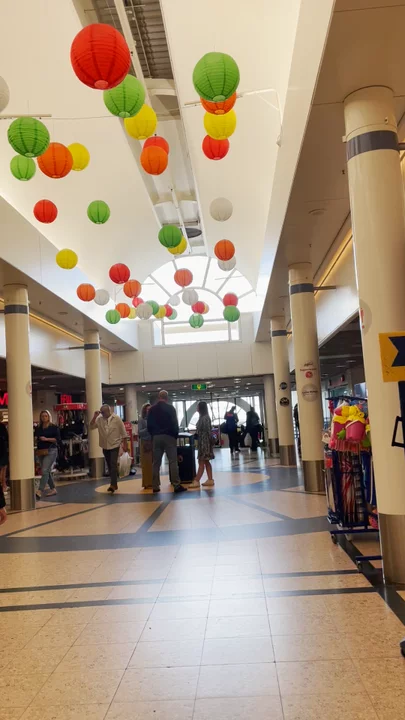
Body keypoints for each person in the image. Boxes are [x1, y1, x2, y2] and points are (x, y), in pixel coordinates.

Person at [147, 390, 187, 494]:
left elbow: (149, 425)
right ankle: (176, 485)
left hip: (156, 437)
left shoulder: (152, 410)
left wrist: (153, 435)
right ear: (167, 398)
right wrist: (175, 436)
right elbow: (175, 424)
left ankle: (155, 486)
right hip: (169, 437)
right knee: (173, 461)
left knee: (156, 463)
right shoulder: (171, 409)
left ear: (158, 397)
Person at [90, 404, 128, 494]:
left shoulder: (117, 419)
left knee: (113, 463)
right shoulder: (99, 419)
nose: (102, 414)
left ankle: (112, 485)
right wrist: (94, 416)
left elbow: (123, 432)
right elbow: (91, 427)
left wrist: (125, 444)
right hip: (105, 445)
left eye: (103, 412)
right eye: (101, 412)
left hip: (115, 444)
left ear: (108, 411)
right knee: (110, 465)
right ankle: (114, 483)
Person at [35, 410, 60, 499]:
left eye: (46, 416)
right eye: (42, 416)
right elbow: (36, 437)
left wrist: (46, 439)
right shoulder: (39, 428)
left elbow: (57, 439)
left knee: (45, 470)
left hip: (51, 450)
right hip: (41, 450)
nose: (44, 418)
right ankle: (53, 489)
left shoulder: (53, 427)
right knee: (46, 471)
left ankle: (40, 490)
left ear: (49, 417)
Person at [189, 401, 215, 489]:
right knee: (206, 461)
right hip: (204, 442)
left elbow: (208, 431)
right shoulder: (204, 417)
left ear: (201, 408)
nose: (196, 408)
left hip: (204, 443)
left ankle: (196, 480)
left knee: (201, 462)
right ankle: (210, 479)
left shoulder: (204, 418)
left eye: (198, 406)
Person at [138, 403, 153, 489]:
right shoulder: (141, 420)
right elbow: (140, 432)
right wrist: (148, 428)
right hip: (145, 443)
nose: (149, 411)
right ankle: (147, 483)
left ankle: (153, 481)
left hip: (153, 442)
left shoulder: (154, 418)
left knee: (153, 463)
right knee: (146, 464)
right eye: (148, 409)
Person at [0, 412, 8, 494]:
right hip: (2, 449)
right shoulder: (2, 426)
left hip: (2, 449)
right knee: (3, 468)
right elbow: (7, 437)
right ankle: (3, 486)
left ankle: (3, 485)